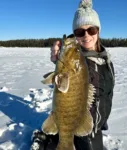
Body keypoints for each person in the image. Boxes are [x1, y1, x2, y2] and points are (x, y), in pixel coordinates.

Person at [31, 0, 115, 150]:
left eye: (92, 30)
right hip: (78, 126)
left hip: (95, 125)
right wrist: (58, 60)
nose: (86, 35)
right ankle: (46, 139)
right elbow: (74, 67)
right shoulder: (79, 59)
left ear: (98, 31)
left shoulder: (105, 58)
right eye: (79, 32)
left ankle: (49, 138)